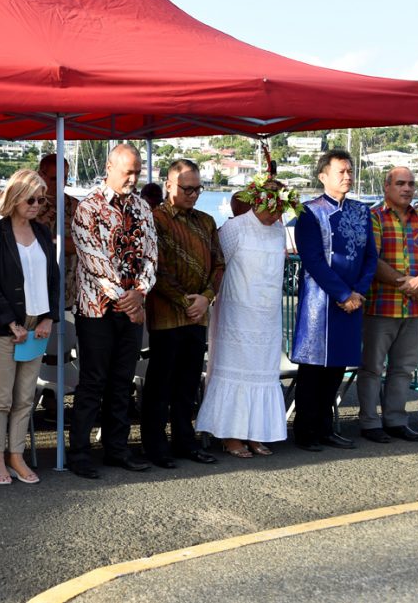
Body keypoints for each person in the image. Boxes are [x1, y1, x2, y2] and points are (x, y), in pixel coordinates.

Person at [68, 144, 157, 478]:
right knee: (92, 382)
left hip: (131, 308)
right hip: (96, 310)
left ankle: (117, 450)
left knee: (122, 383)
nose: (132, 178)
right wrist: (128, 299)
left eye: (137, 172)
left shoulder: (143, 208)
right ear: (110, 167)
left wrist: (141, 292)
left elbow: (151, 255)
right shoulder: (88, 208)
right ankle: (79, 453)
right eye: (127, 172)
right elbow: (94, 263)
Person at [196, 175, 299, 457]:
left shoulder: (279, 231)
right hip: (236, 314)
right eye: (273, 207)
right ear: (258, 202)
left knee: (263, 373)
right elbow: (217, 267)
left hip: (267, 317)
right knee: (235, 371)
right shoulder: (235, 229)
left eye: (281, 209)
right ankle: (231, 435)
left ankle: (256, 432)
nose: (277, 214)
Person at [290, 150, 377, 452]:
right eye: (341, 171)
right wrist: (342, 293)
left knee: (337, 368)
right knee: (313, 369)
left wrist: (358, 292)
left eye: (350, 171)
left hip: (351, 301)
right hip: (320, 302)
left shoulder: (362, 211)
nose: (348, 176)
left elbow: (370, 257)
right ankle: (305, 431)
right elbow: (312, 259)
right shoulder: (309, 212)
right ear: (323, 176)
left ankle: (326, 428)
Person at [356, 167, 418, 444]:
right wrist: (402, 282)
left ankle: (395, 420)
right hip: (380, 306)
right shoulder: (372, 218)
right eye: (400, 183)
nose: (406, 189)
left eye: (410, 184)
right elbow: (371, 258)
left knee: (403, 368)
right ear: (387, 187)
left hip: (414, 307)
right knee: (372, 368)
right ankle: (370, 422)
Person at [0, 169, 59, 485]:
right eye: (31, 199)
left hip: (36, 324)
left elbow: (53, 277)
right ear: (15, 197)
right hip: (5, 326)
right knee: (1, 398)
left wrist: (49, 317)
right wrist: (11, 323)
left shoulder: (41, 231)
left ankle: (16, 453)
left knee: (26, 397)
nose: (37, 204)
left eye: (41, 199)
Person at [142, 160, 223, 467]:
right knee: (161, 383)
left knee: (188, 383)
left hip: (198, 313)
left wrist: (206, 298)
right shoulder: (155, 219)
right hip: (166, 313)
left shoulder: (206, 221)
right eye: (187, 189)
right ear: (170, 186)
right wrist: (185, 300)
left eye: (197, 189)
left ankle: (184, 441)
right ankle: (155, 445)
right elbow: (155, 268)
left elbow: (219, 264)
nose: (193, 195)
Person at [36, 153, 79, 309]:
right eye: (55, 179)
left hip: (69, 291)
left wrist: (50, 241)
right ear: (41, 175)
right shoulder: (29, 205)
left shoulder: (75, 206)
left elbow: (81, 245)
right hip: (35, 291)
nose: (61, 184)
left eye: (65, 179)